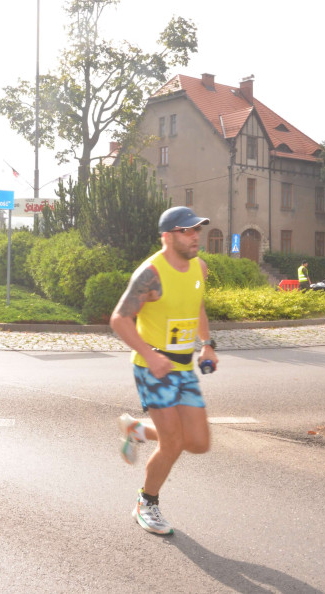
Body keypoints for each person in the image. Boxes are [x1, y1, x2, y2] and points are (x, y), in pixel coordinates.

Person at [109, 206, 219, 536]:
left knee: (198, 442)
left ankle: (137, 431)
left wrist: (207, 344)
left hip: (183, 367)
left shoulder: (200, 267)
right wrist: (149, 354)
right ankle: (147, 503)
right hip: (152, 368)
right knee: (172, 443)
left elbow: (196, 304)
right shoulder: (150, 275)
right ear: (167, 237)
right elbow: (119, 319)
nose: (195, 235)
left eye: (197, 229)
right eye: (187, 231)